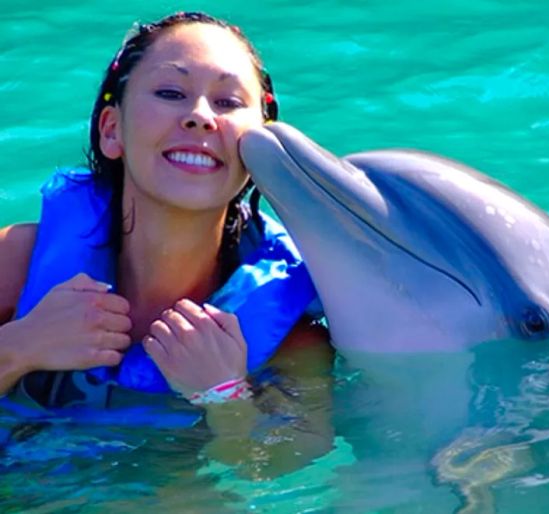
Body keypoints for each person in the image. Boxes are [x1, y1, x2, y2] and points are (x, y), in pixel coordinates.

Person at [0, 11, 334, 476]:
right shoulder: (15, 264)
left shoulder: (294, 339)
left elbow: (278, 467)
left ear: (263, 145)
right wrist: (20, 345)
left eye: (228, 102)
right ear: (112, 130)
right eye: (170, 93)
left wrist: (224, 398)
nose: (199, 117)